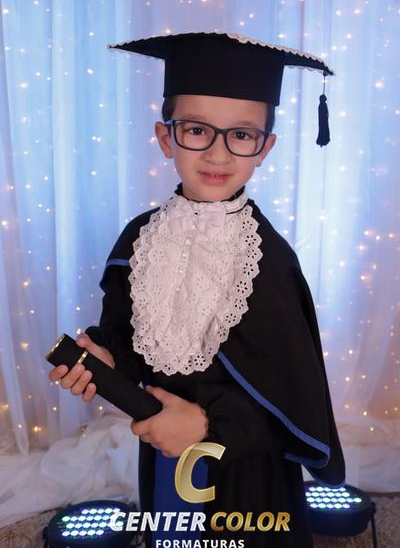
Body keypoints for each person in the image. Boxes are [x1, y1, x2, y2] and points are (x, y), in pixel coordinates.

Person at [48, 31, 345, 547]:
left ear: (265, 148)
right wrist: (108, 359)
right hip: (163, 445)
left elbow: (294, 400)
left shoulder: (270, 263)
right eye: (196, 130)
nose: (217, 153)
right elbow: (129, 338)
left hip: (245, 471)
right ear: (166, 138)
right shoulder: (139, 239)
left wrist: (210, 426)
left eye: (242, 134)